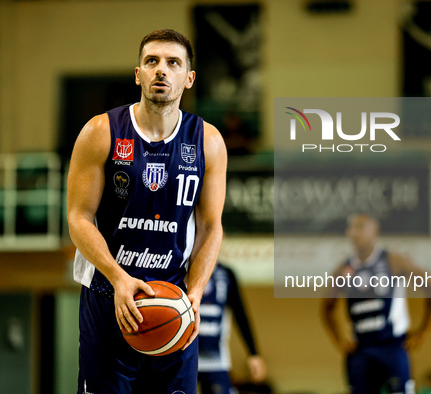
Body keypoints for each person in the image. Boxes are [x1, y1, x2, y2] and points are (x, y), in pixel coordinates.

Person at [67, 29, 227, 393]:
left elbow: (210, 227)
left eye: (173, 63)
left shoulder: (209, 141)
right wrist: (119, 278)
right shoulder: (100, 131)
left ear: (189, 78)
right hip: (109, 298)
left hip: (171, 300)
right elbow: (78, 218)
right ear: (137, 73)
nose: (161, 70)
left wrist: (196, 294)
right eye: (152, 61)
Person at [321, 214, 431, 394]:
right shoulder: (344, 269)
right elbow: (327, 309)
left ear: (374, 232)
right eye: (351, 228)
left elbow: (430, 284)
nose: (354, 232)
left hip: (392, 346)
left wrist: (423, 330)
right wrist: (340, 340)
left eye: (360, 227)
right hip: (361, 349)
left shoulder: (392, 261)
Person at [198, 262, 266, 394]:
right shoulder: (180, 267)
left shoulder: (226, 273)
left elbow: (240, 315)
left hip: (216, 359)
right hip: (183, 356)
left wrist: (253, 354)